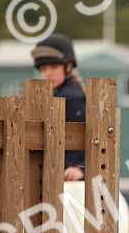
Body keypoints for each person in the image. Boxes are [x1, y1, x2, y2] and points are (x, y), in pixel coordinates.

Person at [30, 34, 87, 180]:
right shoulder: (51, 95)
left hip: (70, 179)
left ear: (68, 66)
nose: (48, 73)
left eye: (54, 66)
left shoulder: (72, 99)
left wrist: (81, 168)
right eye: (43, 68)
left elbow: (92, 140)